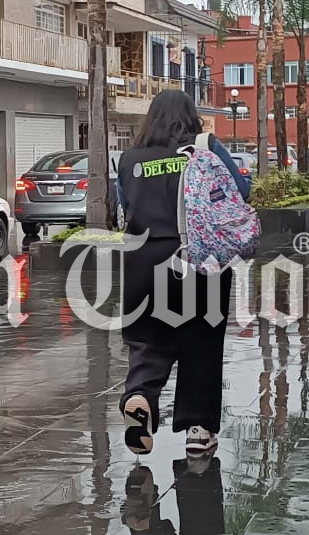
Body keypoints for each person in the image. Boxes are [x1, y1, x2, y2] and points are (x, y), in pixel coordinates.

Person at [116, 90, 249, 456]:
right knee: (201, 341)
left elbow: (124, 204)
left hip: (143, 261)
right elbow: (239, 191)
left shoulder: (130, 158)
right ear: (191, 116)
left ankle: (140, 396)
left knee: (147, 341)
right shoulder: (205, 147)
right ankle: (198, 430)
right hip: (198, 259)